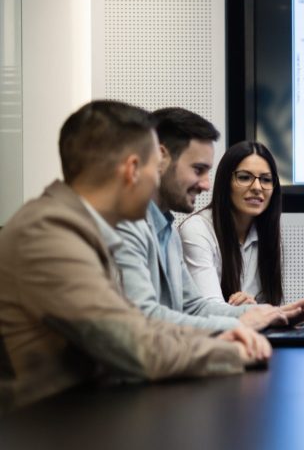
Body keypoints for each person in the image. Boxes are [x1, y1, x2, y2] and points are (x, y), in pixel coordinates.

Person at [0, 101, 270, 412]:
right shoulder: (48, 234)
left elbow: (134, 325)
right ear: (131, 170)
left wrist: (219, 337)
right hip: (46, 432)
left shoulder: (78, 226)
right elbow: (129, 341)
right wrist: (229, 352)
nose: (158, 179)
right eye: (155, 166)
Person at [114, 108, 304, 332]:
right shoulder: (128, 227)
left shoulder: (168, 232)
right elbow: (148, 319)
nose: (205, 184)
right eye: (198, 169)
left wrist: (274, 314)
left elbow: (194, 307)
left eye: (266, 180)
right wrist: (241, 324)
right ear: (161, 158)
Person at [180, 140, 284, 306]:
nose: (257, 187)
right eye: (244, 177)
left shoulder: (265, 231)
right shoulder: (196, 229)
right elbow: (210, 309)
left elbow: (268, 305)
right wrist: (252, 310)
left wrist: (289, 316)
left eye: (266, 179)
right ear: (225, 183)